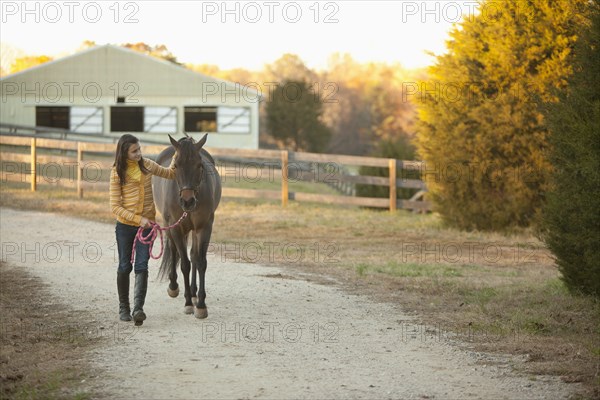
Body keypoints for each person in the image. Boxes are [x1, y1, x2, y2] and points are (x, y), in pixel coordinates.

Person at [109, 134, 176, 326]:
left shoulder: (147, 165)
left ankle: (138, 309)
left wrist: (177, 157)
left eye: (139, 149)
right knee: (124, 266)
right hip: (125, 226)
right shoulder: (116, 173)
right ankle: (124, 307)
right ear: (124, 153)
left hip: (147, 228)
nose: (139, 153)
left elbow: (170, 173)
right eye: (134, 151)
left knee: (141, 266)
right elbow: (115, 207)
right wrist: (139, 220)